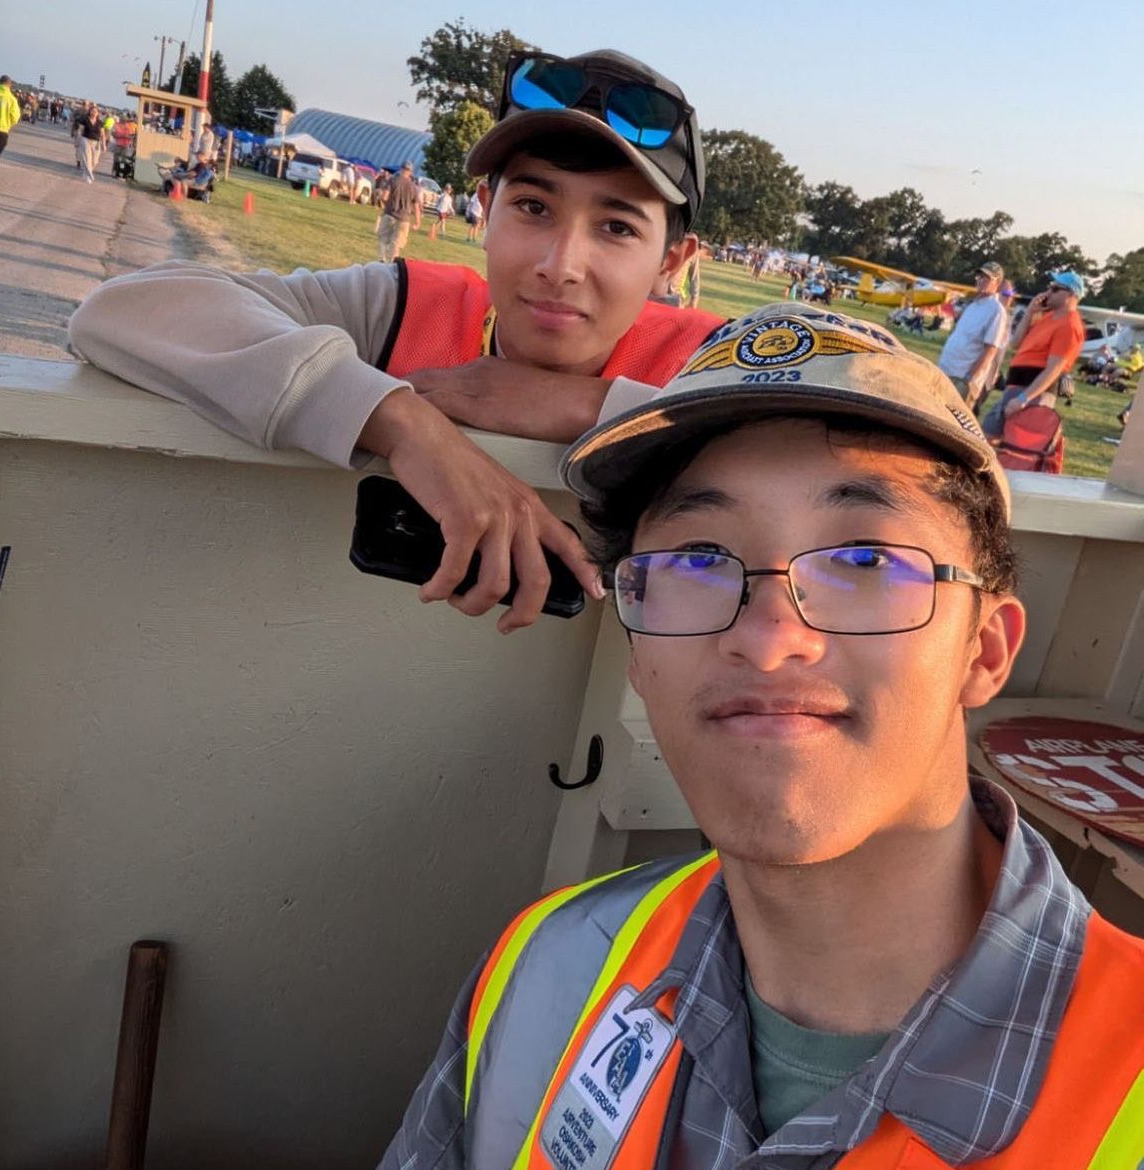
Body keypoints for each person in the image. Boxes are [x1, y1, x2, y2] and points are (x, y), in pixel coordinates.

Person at [382, 302, 1144, 1168]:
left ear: (984, 649)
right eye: (698, 561)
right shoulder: (550, 964)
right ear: (637, 650)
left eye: (864, 561)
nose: (770, 635)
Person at [69, 48, 721, 633]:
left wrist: (585, 408)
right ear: (483, 211)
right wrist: (399, 419)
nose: (561, 263)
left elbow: (819, 441)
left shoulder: (711, 362)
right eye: (533, 207)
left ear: (674, 261)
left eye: (616, 227)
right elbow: (122, 309)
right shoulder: (402, 305)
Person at [982, 270, 1086, 440]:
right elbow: (1016, 343)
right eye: (1049, 288)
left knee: (1009, 441)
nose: (1047, 293)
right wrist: (1030, 313)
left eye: (1054, 289)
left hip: (1032, 393)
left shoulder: (1070, 325)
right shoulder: (1048, 317)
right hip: (1016, 387)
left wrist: (1023, 398)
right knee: (990, 435)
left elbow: (1054, 369)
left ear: (1071, 295)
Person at [935, 262, 1008, 408]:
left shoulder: (996, 310)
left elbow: (990, 350)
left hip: (961, 378)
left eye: (987, 278)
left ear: (997, 283)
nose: (981, 280)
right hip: (945, 371)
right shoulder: (973, 305)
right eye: (980, 276)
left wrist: (968, 379)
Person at [375, 161, 422, 262]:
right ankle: (393, 262)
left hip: (390, 214)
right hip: (404, 219)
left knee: (383, 239)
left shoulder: (392, 180)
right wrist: (418, 222)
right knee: (396, 243)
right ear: (410, 172)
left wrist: (387, 202)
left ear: (401, 169)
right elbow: (417, 207)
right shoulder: (413, 187)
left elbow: (384, 197)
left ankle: (382, 260)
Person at [74, 102, 106, 184]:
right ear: (89, 111)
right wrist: (78, 139)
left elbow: (103, 134)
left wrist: (104, 144)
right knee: (87, 158)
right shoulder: (85, 119)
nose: (94, 112)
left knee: (95, 161)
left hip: (96, 142)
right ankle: (89, 175)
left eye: (96, 111)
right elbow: (80, 130)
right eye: (92, 111)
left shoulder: (100, 122)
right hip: (86, 140)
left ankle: (86, 173)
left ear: (98, 113)